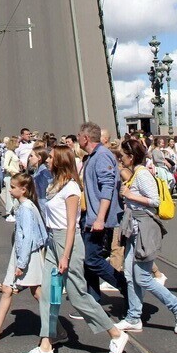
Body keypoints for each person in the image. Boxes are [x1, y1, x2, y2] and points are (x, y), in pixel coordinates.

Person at [20, 145, 129, 353]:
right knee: (49, 295)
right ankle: (46, 345)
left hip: (67, 243)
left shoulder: (70, 188)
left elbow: (71, 226)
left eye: (51, 157)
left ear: (60, 161)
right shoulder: (52, 184)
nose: (47, 160)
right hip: (53, 241)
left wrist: (65, 256)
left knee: (78, 296)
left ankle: (116, 334)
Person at [115, 138, 177, 334]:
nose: (120, 160)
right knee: (130, 274)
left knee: (142, 277)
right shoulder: (136, 173)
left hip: (144, 228)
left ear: (131, 157)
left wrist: (130, 196)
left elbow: (155, 201)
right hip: (134, 228)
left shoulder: (141, 175)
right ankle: (133, 316)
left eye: (122, 156)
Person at [0, 173, 46, 344]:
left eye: (13, 187)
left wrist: (21, 263)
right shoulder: (26, 206)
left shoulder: (26, 208)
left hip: (25, 255)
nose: (10, 189)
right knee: (15, 289)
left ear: (24, 189)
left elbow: (27, 237)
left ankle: (54, 327)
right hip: (24, 253)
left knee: (34, 292)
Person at [79, 121, 127, 303]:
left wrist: (100, 218)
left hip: (98, 219)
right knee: (88, 260)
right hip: (90, 216)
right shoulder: (92, 157)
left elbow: (107, 187)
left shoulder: (102, 156)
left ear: (85, 138)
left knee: (92, 259)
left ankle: (124, 286)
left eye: (78, 135)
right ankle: (93, 301)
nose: (77, 139)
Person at [1, 137, 20, 222]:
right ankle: (9, 213)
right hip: (10, 177)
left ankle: (14, 211)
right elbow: (5, 165)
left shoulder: (13, 152)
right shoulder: (9, 153)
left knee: (15, 195)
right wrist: (12, 171)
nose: (19, 144)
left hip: (16, 176)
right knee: (10, 196)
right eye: (17, 142)